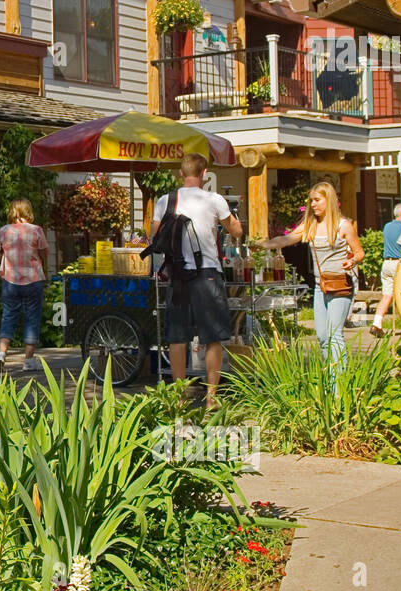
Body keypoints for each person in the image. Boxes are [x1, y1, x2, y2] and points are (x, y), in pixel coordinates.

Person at [151, 153, 243, 409]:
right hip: (208, 274)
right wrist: (229, 220)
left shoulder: (165, 200)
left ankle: (180, 397)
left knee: (177, 338)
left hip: (177, 276)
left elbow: (153, 236)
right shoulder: (215, 200)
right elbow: (237, 232)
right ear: (204, 174)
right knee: (213, 337)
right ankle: (211, 397)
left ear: (181, 173)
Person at [253, 181, 365, 368]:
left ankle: (339, 385)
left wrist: (352, 261)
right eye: (311, 200)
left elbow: (359, 252)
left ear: (328, 200)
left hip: (341, 284)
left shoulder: (343, 226)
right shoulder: (310, 225)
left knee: (334, 334)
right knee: (322, 336)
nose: (312, 204)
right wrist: (264, 244)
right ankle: (331, 377)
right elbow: (287, 239)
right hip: (321, 286)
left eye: (317, 200)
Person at [0, 198, 49, 373]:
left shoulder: (3, 231)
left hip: (10, 281)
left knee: (8, 316)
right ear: (28, 211)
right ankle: (29, 361)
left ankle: (2, 355)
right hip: (33, 279)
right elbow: (45, 252)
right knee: (32, 318)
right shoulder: (36, 231)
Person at [371, 202, 401, 337]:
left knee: (387, 295)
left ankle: (377, 324)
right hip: (399, 264)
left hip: (386, 263)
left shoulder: (387, 226)